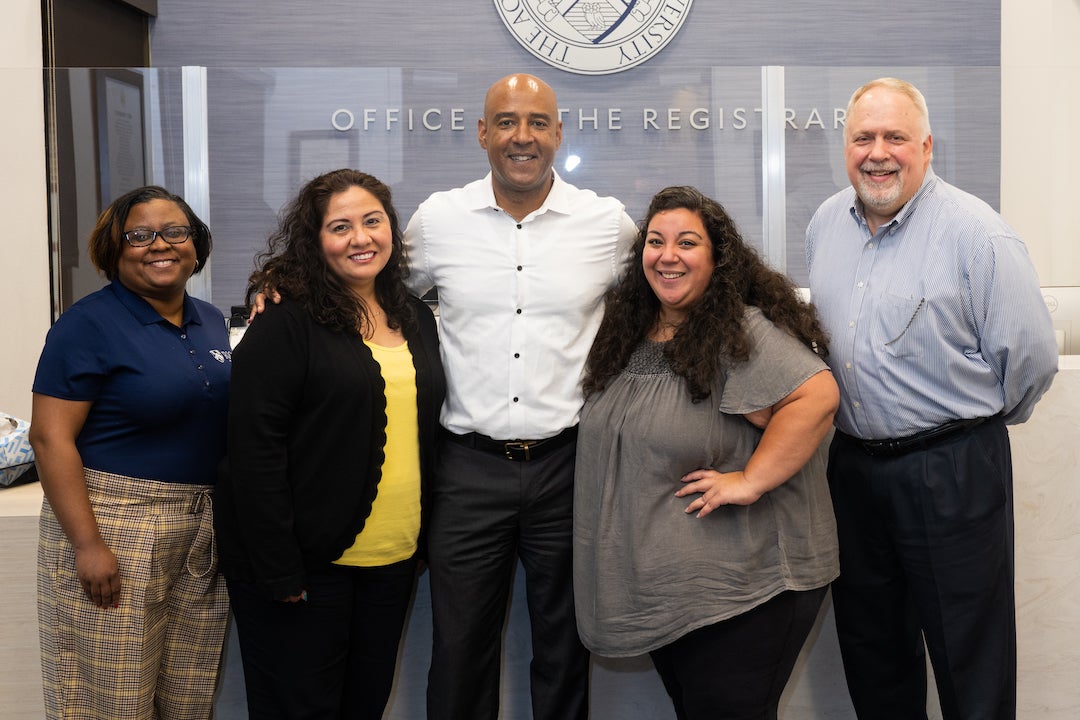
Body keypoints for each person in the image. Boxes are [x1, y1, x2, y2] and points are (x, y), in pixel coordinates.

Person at [805, 77, 1059, 720]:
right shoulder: (824, 225)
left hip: (953, 471)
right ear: (845, 146)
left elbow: (1030, 360)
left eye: (895, 137)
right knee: (873, 651)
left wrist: (964, 437)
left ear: (927, 146)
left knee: (971, 658)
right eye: (864, 137)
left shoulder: (978, 234)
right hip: (854, 469)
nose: (878, 152)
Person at [404, 73, 638, 720]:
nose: (522, 136)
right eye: (506, 122)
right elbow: (366, 282)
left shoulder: (605, 224)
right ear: (483, 133)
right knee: (458, 648)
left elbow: (671, 284)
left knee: (565, 648)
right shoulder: (440, 220)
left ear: (558, 134)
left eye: (537, 122)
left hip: (569, 465)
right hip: (466, 468)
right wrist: (279, 285)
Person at [574, 185, 840, 719]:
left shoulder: (738, 331)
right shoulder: (634, 332)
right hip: (676, 597)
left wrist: (749, 479)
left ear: (718, 258)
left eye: (687, 243)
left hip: (746, 592)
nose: (667, 255)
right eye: (655, 241)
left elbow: (816, 395)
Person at [215, 168, 445, 719]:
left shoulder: (414, 317)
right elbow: (254, 451)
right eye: (340, 227)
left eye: (373, 221)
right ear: (315, 241)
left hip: (393, 561)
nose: (361, 238)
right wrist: (278, 567)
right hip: (305, 568)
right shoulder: (284, 323)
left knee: (363, 706)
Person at [29, 185, 230, 719]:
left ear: (195, 244)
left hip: (198, 531)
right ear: (114, 249)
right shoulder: (86, 324)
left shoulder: (209, 319)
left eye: (175, 232)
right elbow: (50, 438)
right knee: (112, 698)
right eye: (139, 235)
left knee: (185, 693)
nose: (159, 245)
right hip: (114, 523)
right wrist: (87, 544)